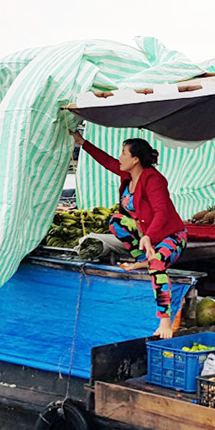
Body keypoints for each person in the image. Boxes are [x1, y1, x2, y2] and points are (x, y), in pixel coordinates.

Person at [70, 130, 187, 339]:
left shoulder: (154, 180)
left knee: (158, 264)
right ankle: (143, 259)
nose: (120, 157)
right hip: (147, 236)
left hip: (171, 235)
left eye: (124, 153)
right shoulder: (128, 175)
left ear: (135, 159)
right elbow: (106, 161)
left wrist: (149, 236)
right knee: (116, 221)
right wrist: (82, 142)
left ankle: (165, 319)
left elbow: (161, 212)